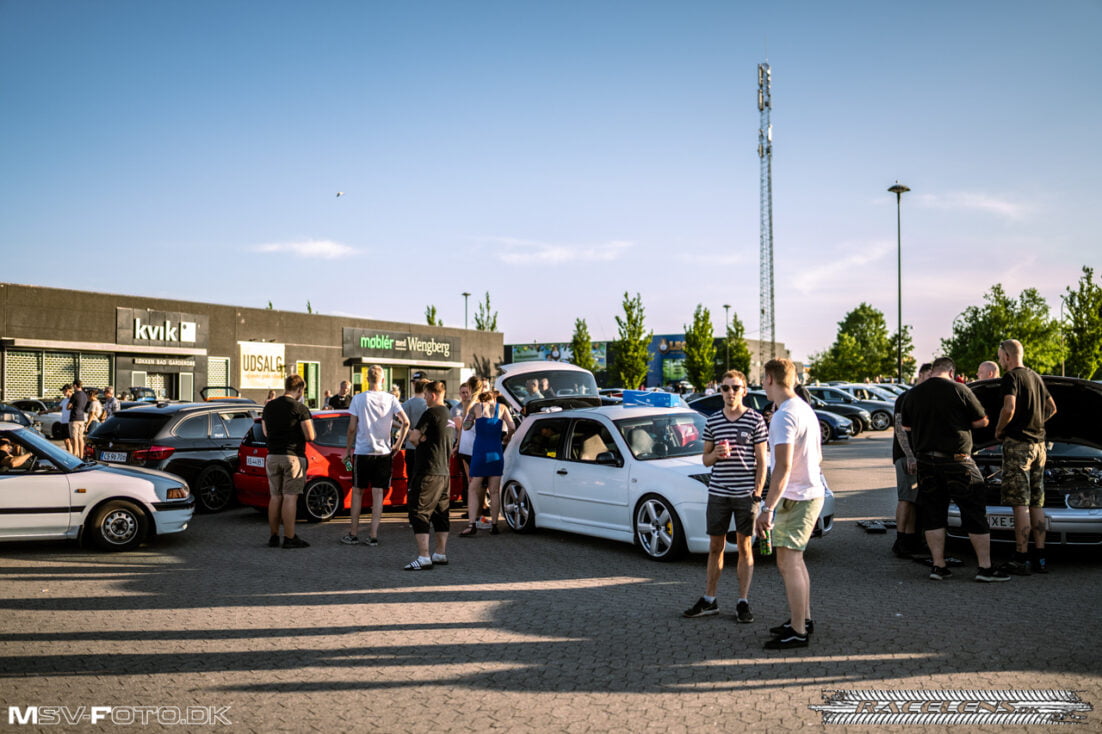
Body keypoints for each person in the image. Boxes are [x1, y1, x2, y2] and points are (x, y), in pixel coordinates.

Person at [899, 357, 1009, 583]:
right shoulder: (960, 390)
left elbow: (906, 426)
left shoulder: (914, 394)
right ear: (951, 372)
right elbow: (982, 421)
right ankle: (984, 568)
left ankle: (938, 566)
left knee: (933, 513)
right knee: (974, 511)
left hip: (926, 462)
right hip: (957, 460)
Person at [682, 370, 768, 624]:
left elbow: (762, 461)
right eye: (725, 388)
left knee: (744, 547)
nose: (730, 393)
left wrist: (757, 494)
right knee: (715, 547)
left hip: (745, 494)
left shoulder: (755, 420)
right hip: (718, 492)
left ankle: (743, 601)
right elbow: (705, 460)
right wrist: (716, 454)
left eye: (735, 387)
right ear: (720, 391)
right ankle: (710, 600)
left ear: (744, 390)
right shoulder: (713, 421)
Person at [754, 359, 825, 649]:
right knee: (794, 561)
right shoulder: (803, 409)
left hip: (798, 497)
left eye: (763, 379)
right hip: (806, 493)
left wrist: (767, 508)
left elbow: (781, 468)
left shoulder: (784, 416)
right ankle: (802, 619)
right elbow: (817, 458)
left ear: (770, 379)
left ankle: (798, 631)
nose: (762, 385)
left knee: (789, 562)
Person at [995, 339, 1057, 575]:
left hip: (1019, 446)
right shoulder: (1036, 377)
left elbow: (1008, 407)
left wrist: (1000, 430)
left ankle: (1021, 556)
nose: (1000, 360)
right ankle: (1040, 556)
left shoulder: (1011, 378)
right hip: (1039, 445)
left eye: (1000, 356)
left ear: (1007, 356)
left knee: (1020, 503)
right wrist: (1037, 423)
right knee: (1036, 502)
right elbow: (1052, 408)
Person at [342, 366, 409, 547]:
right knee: (378, 493)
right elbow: (406, 422)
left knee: (357, 492)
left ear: (367, 378)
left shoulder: (358, 399)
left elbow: (351, 428)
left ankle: (353, 534)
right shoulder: (391, 398)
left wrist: (348, 450)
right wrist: (397, 444)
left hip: (363, 452)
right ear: (383, 380)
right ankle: (372, 535)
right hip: (383, 453)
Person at [262, 374, 316, 549]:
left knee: (275, 496)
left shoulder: (269, 407)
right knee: (290, 497)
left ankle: (273, 536)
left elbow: (265, 432)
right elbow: (311, 435)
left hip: (272, 456)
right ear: (300, 389)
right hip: (292, 456)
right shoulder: (300, 408)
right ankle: (290, 537)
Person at [403, 380, 452, 570]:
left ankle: (423, 557)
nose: (424, 399)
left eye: (425, 395)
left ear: (432, 395)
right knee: (441, 514)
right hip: (443, 472)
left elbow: (414, 437)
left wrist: (419, 439)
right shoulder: (447, 413)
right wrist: (424, 437)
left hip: (427, 470)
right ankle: (440, 553)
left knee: (419, 512)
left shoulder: (430, 413)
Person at [459, 389, 516, 536]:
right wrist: (507, 438)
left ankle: (472, 524)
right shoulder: (502, 408)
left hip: (480, 452)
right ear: (494, 399)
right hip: (496, 452)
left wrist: (471, 416)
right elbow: (512, 426)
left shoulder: (476, 408)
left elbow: (466, 426)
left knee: (473, 488)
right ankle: (495, 524)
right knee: (495, 491)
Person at [891, 363, 932, 558]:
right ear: (921, 375)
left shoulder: (926, 397)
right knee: (906, 498)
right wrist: (909, 455)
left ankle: (911, 539)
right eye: (929, 376)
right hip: (906, 456)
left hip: (921, 455)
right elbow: (900, 429)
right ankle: (900, 541)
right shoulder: (906, 397)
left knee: (916, 499)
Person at [402, 378, 429, 480]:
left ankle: (410, 495)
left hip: (410, 445)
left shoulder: (407, 404)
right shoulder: (428, 405)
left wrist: (409, 431)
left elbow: (392, 420)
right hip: (424, 444)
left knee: (411, 478)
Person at [67, 380, 89, 458]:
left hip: (74, 418)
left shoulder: (75, 395)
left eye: (73, 386)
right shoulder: (84, 395)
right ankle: (81, 455)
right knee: (80, 437)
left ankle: (75, 455)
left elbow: (68, 406)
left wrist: (73, 406)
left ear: (75, 385)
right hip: (82, 418)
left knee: (74, 438)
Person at [58, 384, 73, 453]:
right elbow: (58, 408)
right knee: (66, 440)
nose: (63, 393)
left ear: (67, 390)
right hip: (63, 422)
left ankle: (72, 454)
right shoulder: (65, 400)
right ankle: (69, 453)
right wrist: (45, 412)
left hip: (69, 422)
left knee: (70, 440)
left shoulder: (73, 399)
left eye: (63, 391)